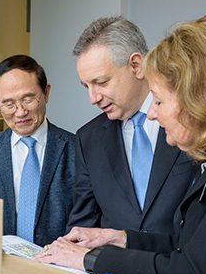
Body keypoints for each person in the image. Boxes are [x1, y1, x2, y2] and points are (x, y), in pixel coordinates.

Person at [35, 13, 206, 274]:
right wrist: (119, 237)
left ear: (200, 97)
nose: (151, 113)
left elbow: (192, 272)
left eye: (159, 101)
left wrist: (90, 259)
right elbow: (187, 244)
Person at [66, 16, 196, 235]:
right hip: (113, 268)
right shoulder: (88, 139)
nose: (93, 98)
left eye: (101, 82)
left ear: (136, 65)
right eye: (86, 86)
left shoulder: (190, 118)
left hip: (181, 264)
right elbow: (83, 225)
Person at [0, 55, 75, 246]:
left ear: (46, 93)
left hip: (59, 268)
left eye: (28, 99)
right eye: (8, 103)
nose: (20, 112)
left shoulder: (76, 149)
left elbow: (86, 218)